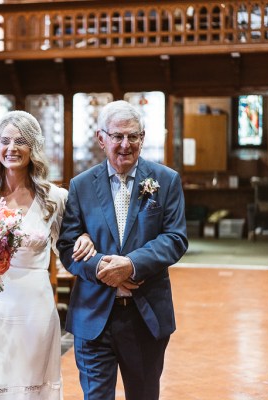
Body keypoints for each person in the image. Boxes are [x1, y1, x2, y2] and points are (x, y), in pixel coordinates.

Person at [56, 100, 188, 400]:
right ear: (102, 138)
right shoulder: (81, 186)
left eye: (133, 136)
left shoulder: (165, 181)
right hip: (93, 314)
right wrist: (103, 268)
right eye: (117, 136)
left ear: (143, 137)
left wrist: (130, 265)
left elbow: (175, 238)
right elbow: (67, 245)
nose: (125, 144)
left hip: (144, 315)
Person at [0, 110, 96, 399]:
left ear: (33, 148)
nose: (12, 148)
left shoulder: (55, 198)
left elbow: (70, 240)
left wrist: (84, 236)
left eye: (21, 141)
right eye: (5, 140)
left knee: (31, 381)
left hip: (34, 305)